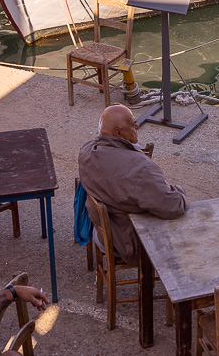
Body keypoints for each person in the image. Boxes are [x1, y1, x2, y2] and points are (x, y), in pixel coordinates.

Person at [78, 105, 188, 264]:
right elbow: (173, 206)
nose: (137, 126)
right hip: (124, 242)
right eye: (132, 124)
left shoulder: (87, 150)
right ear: (118, 132)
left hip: (100, 230)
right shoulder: (141, 169)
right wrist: (180, 191)